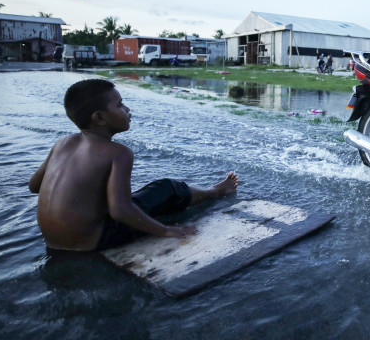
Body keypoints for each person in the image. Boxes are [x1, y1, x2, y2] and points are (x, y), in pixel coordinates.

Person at [29, 79, 239, 252]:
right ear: (99, 117)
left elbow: (34, 186)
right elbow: (121, 211)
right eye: (120, 105)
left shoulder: (63, 143)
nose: (127, 109)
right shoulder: (118, 153)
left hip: (53, 241)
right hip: (91, 242)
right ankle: (215, 191)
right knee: (166, 188)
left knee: (131, 196)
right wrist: (166, 231)